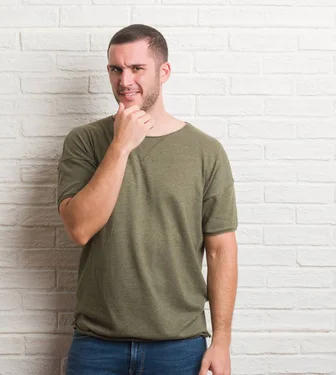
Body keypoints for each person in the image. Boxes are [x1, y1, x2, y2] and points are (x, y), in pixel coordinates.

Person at [56, 24, 238, 375]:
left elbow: (221, 251)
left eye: (137, 68)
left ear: (163, 71)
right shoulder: (85, 142)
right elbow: (79, 228)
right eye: (116, 69)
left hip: (180, 345)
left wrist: (222, 341)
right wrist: (121, 145)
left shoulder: (206, 151)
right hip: (96, 344)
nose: (125, 80)